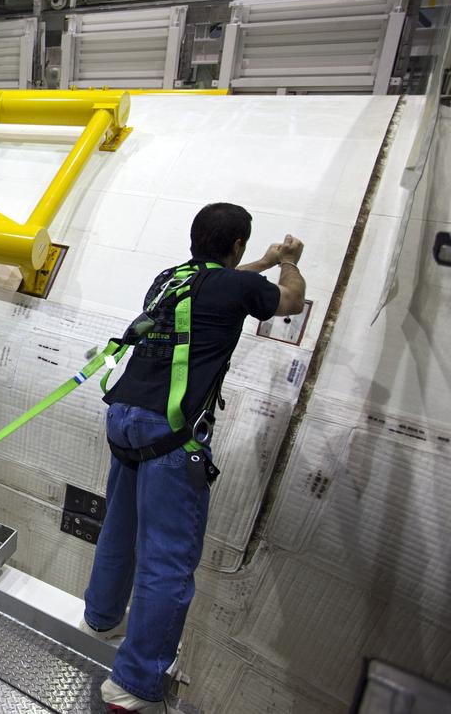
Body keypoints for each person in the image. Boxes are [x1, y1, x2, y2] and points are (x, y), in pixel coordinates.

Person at [82, 203, 306, 713]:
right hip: (171, 432)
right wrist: (288, 260)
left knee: (120, 525)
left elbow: (220, 281)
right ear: (236, 246)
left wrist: (261, 261)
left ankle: (101, 618)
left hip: (125, 417)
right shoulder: (237, 285)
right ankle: (135, 685)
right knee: (167, 561)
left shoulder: (170, 278)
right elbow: (291, 300)